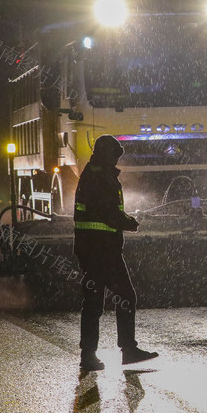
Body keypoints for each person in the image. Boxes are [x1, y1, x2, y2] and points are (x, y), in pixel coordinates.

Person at [74, 135, 158, 371]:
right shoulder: (100, 178)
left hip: (93, 249)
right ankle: (127, 350)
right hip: (102, 250)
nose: (116, 160)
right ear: (106, 154)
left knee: (93, 302)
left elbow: (103, 211)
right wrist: (129, 223)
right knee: (125, 297)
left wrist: (123, 220)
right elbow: (106, 212)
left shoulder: (94, 174)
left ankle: (89, 355)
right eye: (114, 155)